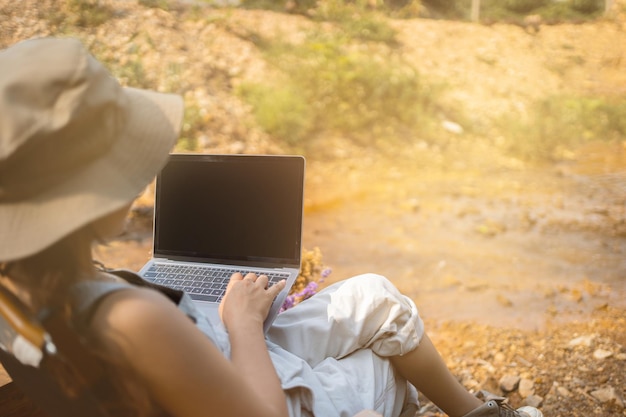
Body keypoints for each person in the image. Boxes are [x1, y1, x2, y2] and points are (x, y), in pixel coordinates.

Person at [0, 37, 544, 417]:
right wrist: (240, 323)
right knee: (386, 365)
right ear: (89, 196)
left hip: (201, 357)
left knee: (378, 297)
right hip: (243, 375)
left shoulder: (16, 289)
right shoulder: (132, 318)